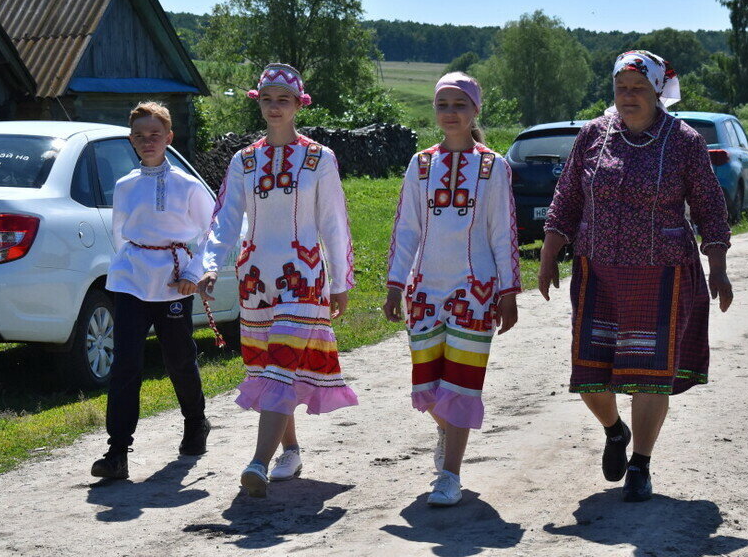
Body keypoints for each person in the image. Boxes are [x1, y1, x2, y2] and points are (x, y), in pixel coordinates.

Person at [537, 50, 734, 502]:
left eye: (638, 88)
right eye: (622, 88)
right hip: (597, 271)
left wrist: (718, 267)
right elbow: (566, 197)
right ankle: (614, 430)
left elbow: (709, 206)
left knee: (649, 373)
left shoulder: (683, 140)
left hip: (660, 272)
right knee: (590, 375)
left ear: (657, 90)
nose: (628, 97)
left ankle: (641, 465)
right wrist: (549, 256)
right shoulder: (593, 134)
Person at [197, 63, 357, 498]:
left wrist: (341, 278)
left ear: (298, 105)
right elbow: (225, 219)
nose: (273, 107)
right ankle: (290, 450)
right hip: (255, 281)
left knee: (281, 363)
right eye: (266, 99)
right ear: (258, 102)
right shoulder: (243, 160)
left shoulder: (319, 158)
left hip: (303, 277)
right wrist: (209, 263)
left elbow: (333, 221)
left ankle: (257, 463)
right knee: (268, 368)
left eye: (282, 100)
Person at [383, 72, 521, 507]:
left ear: (476, 110)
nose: (450, 113)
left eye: (459, 105)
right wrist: (394, 284)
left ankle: (450, 475)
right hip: (423, 291)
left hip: (475, 290)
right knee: (429, 385)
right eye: (443, 105)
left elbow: (503, 231)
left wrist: (508, 291)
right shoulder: (421, 164)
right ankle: (445, 432)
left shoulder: (492, 166)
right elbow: (407, 228)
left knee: (461, 383)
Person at [91, 101, 214, 480]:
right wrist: (129, 265)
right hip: (131, 280)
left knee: (179, 359)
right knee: (126, 362)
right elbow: (119, 233)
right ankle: (117, 451)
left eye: (155, 135)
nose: (148, 142)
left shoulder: (188, 186)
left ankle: (196, 421)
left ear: (169, 138)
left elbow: (214, 232)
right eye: (140, 136)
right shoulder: (125, 185)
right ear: (132, 140)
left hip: (174, 281)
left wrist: (196, 272)